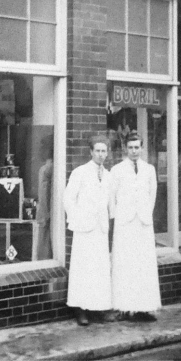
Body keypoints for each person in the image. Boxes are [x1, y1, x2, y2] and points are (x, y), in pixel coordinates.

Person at [110, 132, 161, 322]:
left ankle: (143, 308)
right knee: (125, 263)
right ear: (125, 148)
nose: (134, 151)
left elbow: (152, 195)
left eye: (137, 147)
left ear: (142, 148)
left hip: (143, 223)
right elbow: (111, 197)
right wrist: (117, 217)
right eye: (130, 147)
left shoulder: (149, 169)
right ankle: (124, 307)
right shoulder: (117, 170)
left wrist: (146, 213)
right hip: (125, 223)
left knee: (144, 264)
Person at [63, 135, 112, 326]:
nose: (100, 154)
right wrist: (77, 220)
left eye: (103, 151)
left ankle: (97, 308)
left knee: (99, 268)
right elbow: (68, 199)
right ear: (91, 152)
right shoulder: (80, 172)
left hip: (100, 229)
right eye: (97, 151)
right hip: (84, 229)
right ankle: (80, 309)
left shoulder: (108, 175)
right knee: (82, 268)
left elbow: (109, 201)